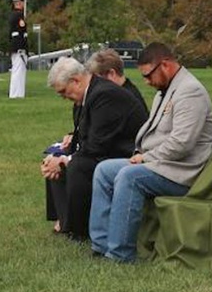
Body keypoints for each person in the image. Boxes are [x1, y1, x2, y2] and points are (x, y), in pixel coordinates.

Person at [88, 43, 212, 263]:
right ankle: (101, 245)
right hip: (163, 164)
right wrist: (141, 153)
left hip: (183, 172)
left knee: (130, 177)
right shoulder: (165, 91)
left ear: (165, 65)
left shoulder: (190, 91)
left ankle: (120, 255)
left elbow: (182, 143)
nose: (146, 82)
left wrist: (145, 158)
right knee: (104, 170)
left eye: (148, 75)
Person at [42, 57, 149, 241]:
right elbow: (85, 135)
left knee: (78, 166)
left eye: (64, 92)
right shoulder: (87, 95)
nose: (63, 97)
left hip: (127, 152)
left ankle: (81, 229)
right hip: (106, 147)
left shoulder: (104, 94)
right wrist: (60, 155)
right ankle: (65, 219)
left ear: (75, 80)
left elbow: (98, 144)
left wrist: (66, 160)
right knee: (56, 155)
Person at [86, 48, 148, 117]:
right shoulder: (129, 92)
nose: (94, 85)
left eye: (97, 80)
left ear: (111, 74)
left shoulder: (119, 100)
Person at [8, 0, 28, 98]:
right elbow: (19, 34)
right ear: (18, 3)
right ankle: (16, 93)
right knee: (18, 70)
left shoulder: (14, 15)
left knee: (19, 70)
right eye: (22, 2)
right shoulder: (18, 15)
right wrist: (21, 47)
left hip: (17, 45)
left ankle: (18, 93)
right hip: (18, 45)